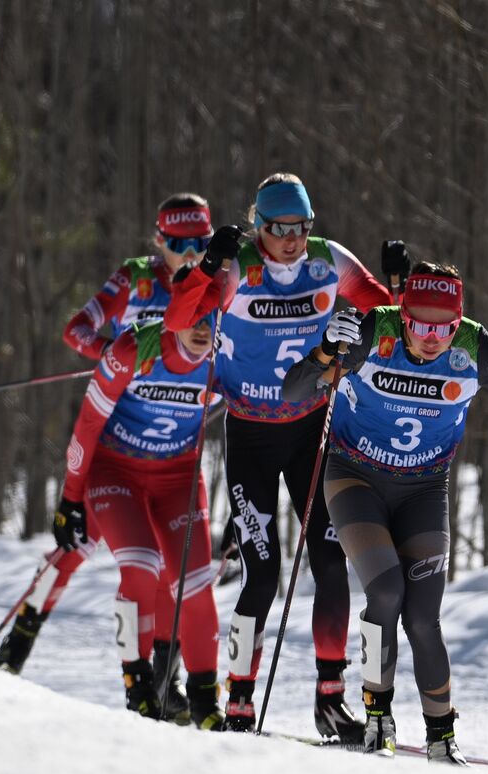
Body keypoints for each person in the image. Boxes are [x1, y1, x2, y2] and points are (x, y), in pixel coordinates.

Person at [281, 260, 488, 763]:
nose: (432, 339)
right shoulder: (373, 331)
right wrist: (326, 349)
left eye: (444, 328)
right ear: (402, 314)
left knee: (423, 615)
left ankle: (441, 735)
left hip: (424, 488)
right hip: (356, 477)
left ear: (458, 322)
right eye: (420, 326)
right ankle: (377, 716)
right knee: (386, 592)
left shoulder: (474, 346)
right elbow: (294, 391)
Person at [164, 173, 393, 738]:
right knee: (262, 573)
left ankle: (331, 697)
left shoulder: (329, 260)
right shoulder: (238, 266)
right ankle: (240, 696)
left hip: (312, 430)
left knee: (331, 562)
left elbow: (388, 317)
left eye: (300, 228)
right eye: (278, 229)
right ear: (258, 225)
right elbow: (178, 320)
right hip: (250, 436)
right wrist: (207, 266)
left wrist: (391, 295)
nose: (291, 240)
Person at [0, 195, 214, 724]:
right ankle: (15, 646)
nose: (189, 253)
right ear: (158, 241)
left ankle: (165, 681)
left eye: (200, 243)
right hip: (115, 432)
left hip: (170, 448)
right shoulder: (136, 279)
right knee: (73, 550)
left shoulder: (213, 288)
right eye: (179, 243)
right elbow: (76, 329)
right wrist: (115, 356)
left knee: (169, 570)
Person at [50, 315, 225, 728]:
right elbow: (87, 425)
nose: (202, 330)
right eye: (193, 319)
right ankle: (139, 683)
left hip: (178, 477)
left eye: (210, 320)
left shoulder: (227, 355)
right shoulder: (136, 346)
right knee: (142, 565)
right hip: (117, 471)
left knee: (194, 583)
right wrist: (70, 498)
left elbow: (257, 416)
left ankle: (204, 701)